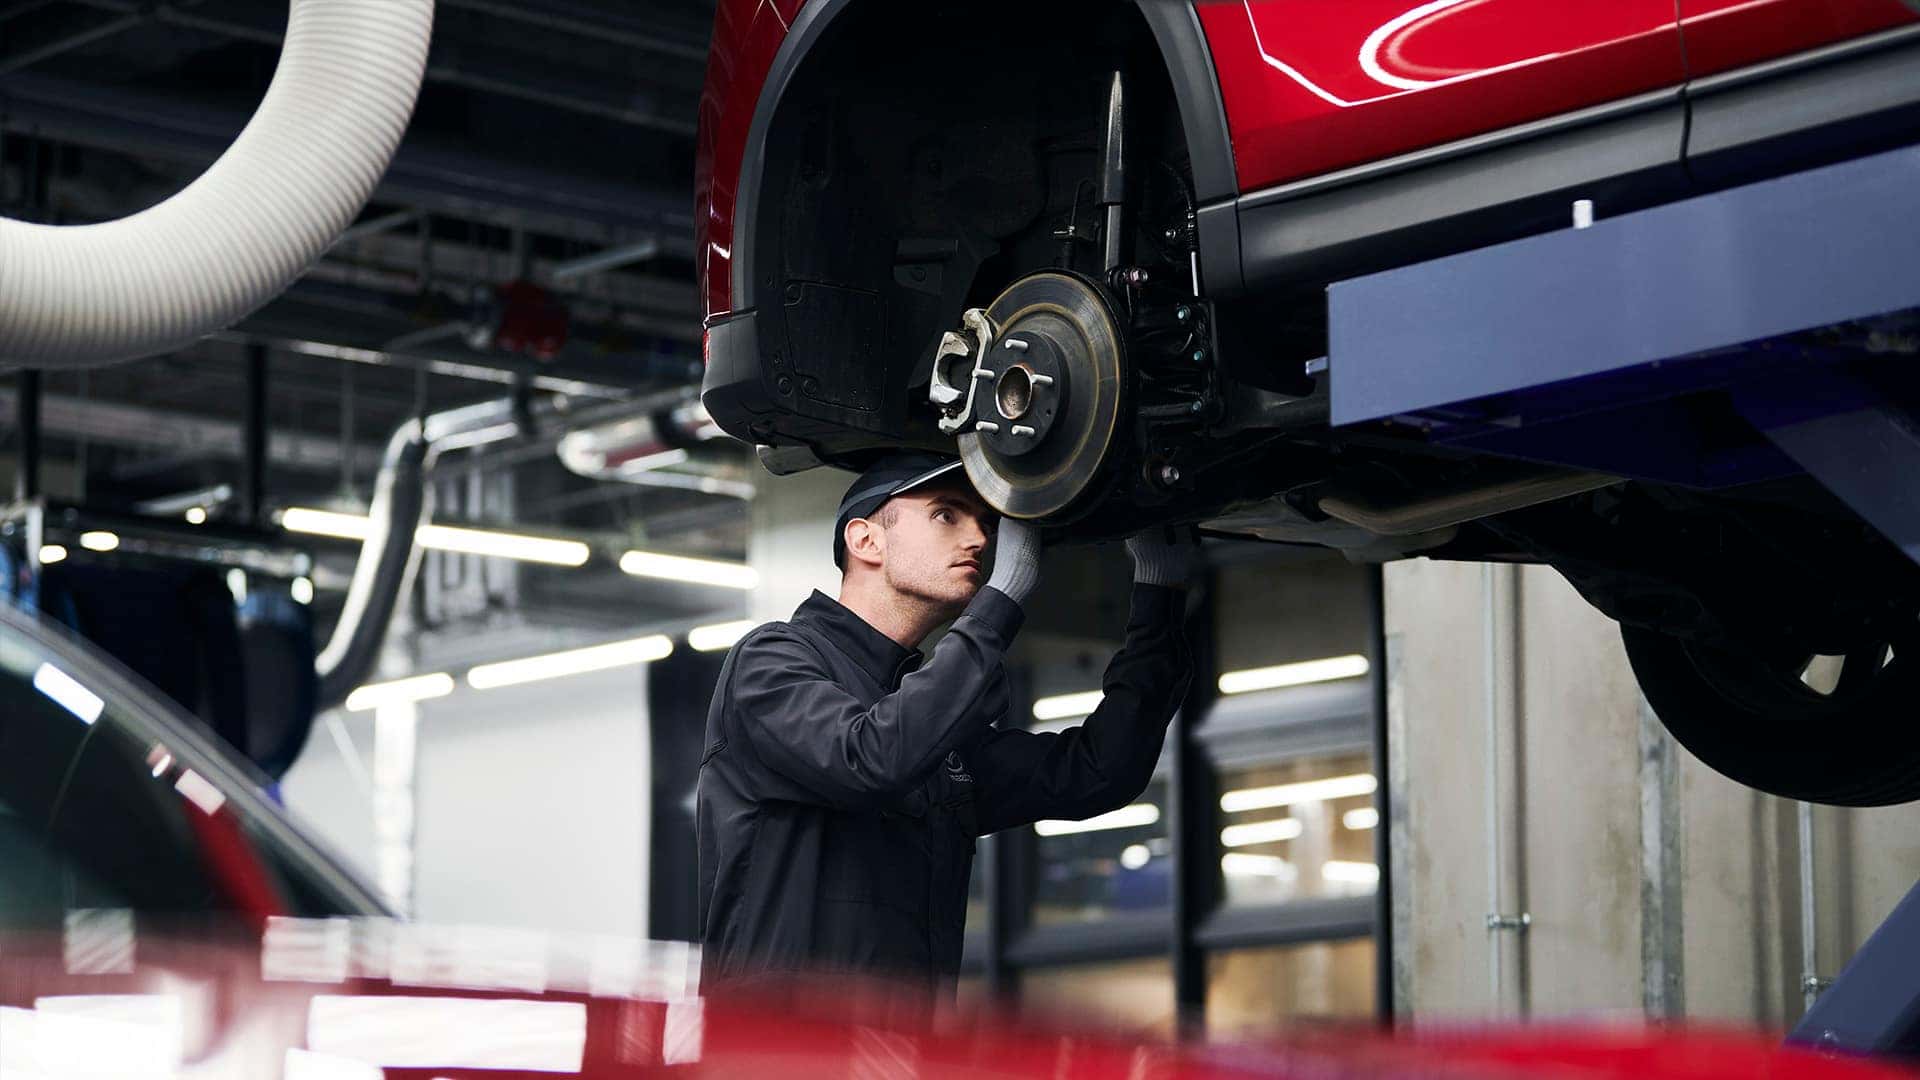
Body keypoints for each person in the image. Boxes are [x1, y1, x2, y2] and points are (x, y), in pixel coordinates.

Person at [696, 450, 1194, 996]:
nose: (980, 539)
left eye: (984, 521)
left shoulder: (934, 728)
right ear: (866, 541)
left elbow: (1098, 772)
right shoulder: (772, 660)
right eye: (947, 514)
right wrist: (999, 606)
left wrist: (1158, 598)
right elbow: (868, 758)